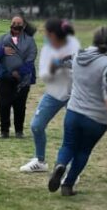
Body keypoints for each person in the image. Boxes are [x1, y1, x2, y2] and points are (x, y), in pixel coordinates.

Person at [48, 27, 107, 196]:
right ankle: (68, 184)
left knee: (68, 145)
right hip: (96, 117)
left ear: (94, 39)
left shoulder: (78, 55)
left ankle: (61, 164)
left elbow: (58, 60)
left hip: (73, 111)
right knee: (83, 150)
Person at [20, 20, 80, 173]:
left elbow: (81, 69)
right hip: (54, 93)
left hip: (74, 94)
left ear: (54, 34)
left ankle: (69, 168)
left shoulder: (73, 45)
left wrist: (70, 67)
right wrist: (55, 67)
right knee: (36, 125)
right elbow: (44, 76)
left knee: (72, 131)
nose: (44, 35)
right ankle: (40, 161)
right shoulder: (47, 49)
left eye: (47, 32)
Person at [0, 16, 38, 138]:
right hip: (4, 77)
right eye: (14, 23)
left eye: (19, 23)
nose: (16, 25)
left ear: (24, 26)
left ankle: (19, 131)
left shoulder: (30, 41)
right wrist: (2, 51)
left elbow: (31, 59)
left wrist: (19, 72)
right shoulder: (3, 38)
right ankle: (4, 131)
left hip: (22, 79)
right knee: (4, 105)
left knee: (20, 106)